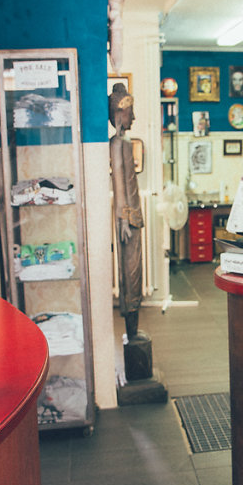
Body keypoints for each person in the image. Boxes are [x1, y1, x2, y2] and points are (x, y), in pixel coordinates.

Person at [109, 82, 145, 356]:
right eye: (130, 112)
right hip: (128, 220)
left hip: (133, 218)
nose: (133, 117)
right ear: (119, 115)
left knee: (136, 272)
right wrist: (122, 218)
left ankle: (134, 329)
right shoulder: (117, 144)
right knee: (130, 275)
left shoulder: (126, 142)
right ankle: (131, 329)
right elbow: (118, 183)